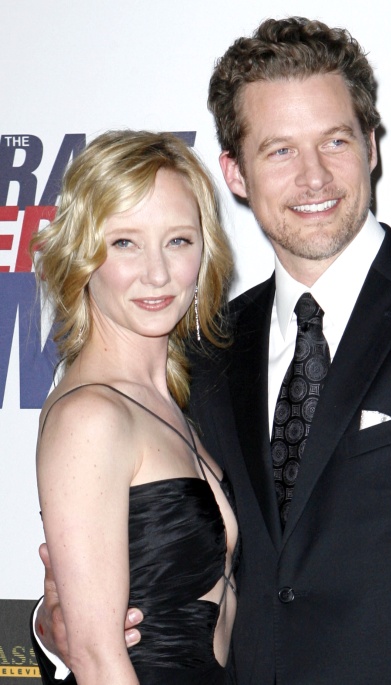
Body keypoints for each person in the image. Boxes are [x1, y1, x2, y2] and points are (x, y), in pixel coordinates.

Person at [34, 17, 391, 685]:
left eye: (334, 141)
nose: (314, 177)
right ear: (236, 172)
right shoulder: (205, 352)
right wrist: (62, 627)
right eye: (280, 150)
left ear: (371, 146)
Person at [31, 130, 237, 684]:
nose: (157, 273)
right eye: (125, 242)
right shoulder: (91, 418)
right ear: (82, 254)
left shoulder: (175, 401)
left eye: (178, 240)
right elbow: (98, 658)